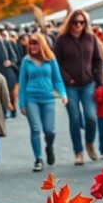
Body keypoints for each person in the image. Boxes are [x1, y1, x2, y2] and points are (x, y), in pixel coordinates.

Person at [54, 9, 103, 164]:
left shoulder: (91, 38)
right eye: (75, 22)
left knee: (91, 117)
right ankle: (78, 152)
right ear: (70, 23)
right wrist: (67, 78)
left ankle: (89, 142)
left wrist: (99, 81)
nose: (78, 25)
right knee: (74, 119)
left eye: (82, 22)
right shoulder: (62, 40)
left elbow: (98, 60)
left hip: (89, 83)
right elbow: (57, 63)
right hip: (70, 86)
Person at [19, 34, 68, 171]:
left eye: (36, 43)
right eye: (31, 43)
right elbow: (22, 84)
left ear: (42, 44)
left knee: (49, 131)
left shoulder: (50, 59)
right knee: (35, 129)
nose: (33, 46)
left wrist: (63, 94)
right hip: (31, 99)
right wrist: (21, 104)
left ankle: (49, 146)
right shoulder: (26, 61)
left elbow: (57, 80)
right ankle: (38, 159)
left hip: (47, 99)